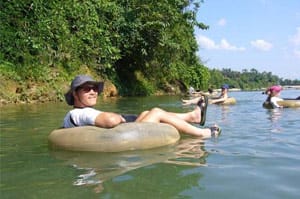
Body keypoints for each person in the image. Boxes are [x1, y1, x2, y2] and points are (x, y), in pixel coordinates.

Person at [62, 75, 221, 138]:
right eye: (86, 89)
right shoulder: (80, 114)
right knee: (156, 112)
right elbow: (110, 120)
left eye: (95, 88)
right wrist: (118, 116)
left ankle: (192, 117)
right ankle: (203, 133)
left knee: (146, 112)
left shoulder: (74, 115)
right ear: (75, 94)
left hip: (127, 128)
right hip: (127, 133)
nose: (93, 92)